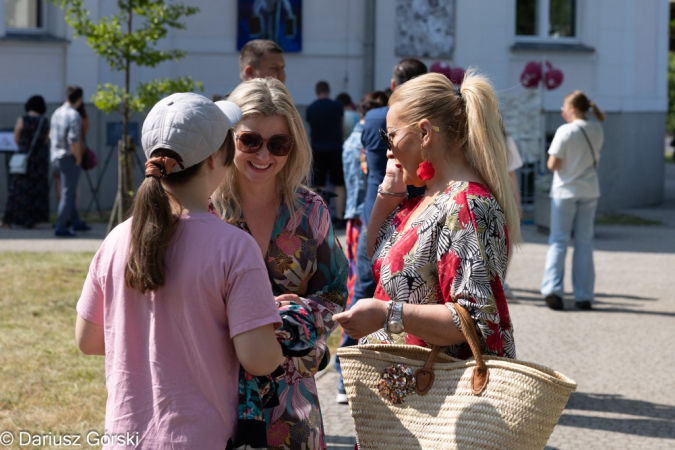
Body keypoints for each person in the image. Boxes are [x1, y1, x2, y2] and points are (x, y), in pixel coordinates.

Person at [75, 93, 284, 449]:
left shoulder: (115, 240)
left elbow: (89, 340)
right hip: (199, 438)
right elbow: (259, 358)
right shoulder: (233, 246)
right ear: (218, 158)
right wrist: (274, 320)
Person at [334, 71, 520, 369]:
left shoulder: (467, 205)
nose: (388, 149)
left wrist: (387, 314)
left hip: (435, 397)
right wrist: (389, 191)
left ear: (424, 133)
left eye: (391, 136)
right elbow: (377, 257)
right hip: (409, 391)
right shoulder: (429, 197)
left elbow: (474, 321)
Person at [211, 78, 349, 450]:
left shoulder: (309, 209)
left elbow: (336, 290)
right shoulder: (205, 210)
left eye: (278, 143)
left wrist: (298, 315)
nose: (263, 155)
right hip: (215, 387)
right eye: (250, 141)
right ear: (228, 139)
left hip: (293, 396)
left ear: (295, 145)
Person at [354, 59, 427, 314]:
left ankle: (346, 353)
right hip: (417, 211)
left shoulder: (374, 118)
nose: (391, 152)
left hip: (378, 209)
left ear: (394, 84)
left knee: (364, 293)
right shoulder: (426, 126)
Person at [334, 91, 388, 404]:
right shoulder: (374, 133)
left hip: (358, 217)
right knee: (364, 291)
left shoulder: (354, 140)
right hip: (367, 219)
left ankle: (344, 377)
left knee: (358, 290)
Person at [541, 91, 605, 311]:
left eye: (564, 106)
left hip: (564, 192)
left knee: (558, 241)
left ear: (573, 109)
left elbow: (553, 165)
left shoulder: (565, 131)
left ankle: (553, 290)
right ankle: (584, 296)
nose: (562, 110)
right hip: (589, 191)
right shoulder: (597, 129)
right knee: (585, 243)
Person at [2, 95, 50, 229]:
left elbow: (16, 137)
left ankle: (11, 219)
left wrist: (23, 147)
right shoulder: (44, 121)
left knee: (18, 190)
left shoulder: (22, 119)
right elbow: (46, 140)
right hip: (39, 161)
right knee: (36, 191)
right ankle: (32, 220)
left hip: (23, 159)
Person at [50, 86, 90, 237]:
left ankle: (75, 222)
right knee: (68, 192)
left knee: (69, 191)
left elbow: (51, 135)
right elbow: (73, 140)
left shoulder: (56, 112)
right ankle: (61, 226)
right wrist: (78, 157)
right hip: (68, 157)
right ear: (79, 99)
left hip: (55, 157)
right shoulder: (74, 115)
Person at [306, 80, 346, 227]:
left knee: (319, 185)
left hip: (317, 149)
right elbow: (341, 127)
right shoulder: (337, 106)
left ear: (317, 92)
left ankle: (321, 217)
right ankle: (340, 218)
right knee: (339, 183)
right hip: (335, 148)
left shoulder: (311, 108)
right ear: (328, 90)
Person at [502, 132, 524, 299]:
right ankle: (501, 280)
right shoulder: (506, 140)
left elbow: (511, 174)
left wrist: (517, 203)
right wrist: (517, 203)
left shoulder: (507, 140)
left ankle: (499, 280)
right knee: (506, 242)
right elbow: (512, 175)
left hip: (496, 197)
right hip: (502, 197)